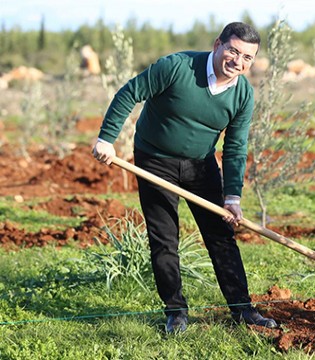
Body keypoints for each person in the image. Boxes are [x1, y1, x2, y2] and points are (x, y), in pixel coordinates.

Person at [92, 22, 277, 333]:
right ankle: (176, 312)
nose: (238, 62)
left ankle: (242, 310)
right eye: (233, 51)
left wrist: (232, 196)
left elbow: (235, 146)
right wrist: (106, 138)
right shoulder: (176, 67)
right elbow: (130, 93)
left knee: (221, 237)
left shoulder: (243, 93)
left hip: (201, 165)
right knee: (164, 239)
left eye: (248, 57)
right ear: (218, 44)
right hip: (155, 160)